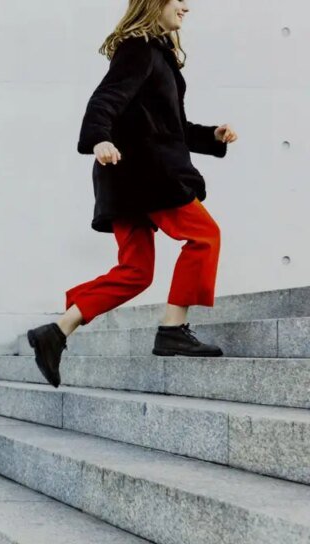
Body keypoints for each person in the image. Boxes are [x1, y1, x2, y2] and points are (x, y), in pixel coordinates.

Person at [27, 0, 239, 387]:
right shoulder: (138, 48)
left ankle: (57, 331)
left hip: (128, 178)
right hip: (146, 174)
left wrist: (212, 136)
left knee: (136, 272)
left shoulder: (157, 54)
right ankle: (173, 330)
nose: (186, 7)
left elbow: (172, 128)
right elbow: (105, 99)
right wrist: (99, 139)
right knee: (205, 236)